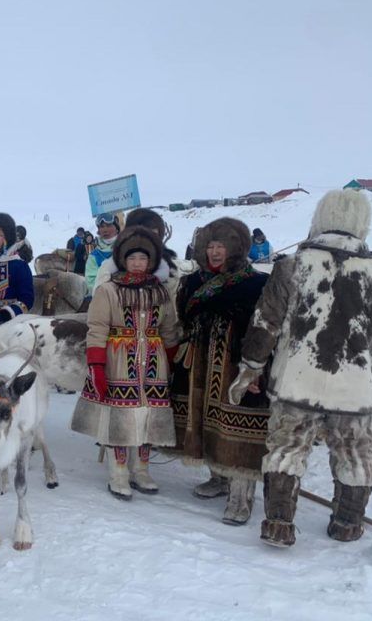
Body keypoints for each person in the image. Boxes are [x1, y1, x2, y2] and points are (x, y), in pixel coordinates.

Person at [229, 190, 372, 546]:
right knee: (356, 454)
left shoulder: (292, 267)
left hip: (296, 384)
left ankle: (278, 524)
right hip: (357, 392)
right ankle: (347, 524)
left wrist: (250, 369)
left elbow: (264, 325)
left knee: (286, 449)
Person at [167, 218, 270, 525]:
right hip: (199, 361)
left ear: (235, 248)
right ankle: (218, 477)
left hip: (238, 363)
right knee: (206, 421)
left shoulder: (256, 283)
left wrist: (255, 369)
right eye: (210, 246)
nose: (214, 252)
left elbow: (265, 330)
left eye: (221, 246)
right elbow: (183, 320)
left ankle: (241, 495)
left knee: (238, 426)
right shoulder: (192, 282)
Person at [70, 227, 180, 499]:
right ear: (123, 260)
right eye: (132, 258)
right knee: (119, 416)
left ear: (151, 261)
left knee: (148, 416)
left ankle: (141, 470)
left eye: (143, 258)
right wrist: (96, 366)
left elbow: (169, 329)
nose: (138, 263)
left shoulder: (161, 292)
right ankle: (118, 473)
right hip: (118, 360)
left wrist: (172, 360)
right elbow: (97, 328)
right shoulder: (108, 290)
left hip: (153, 362)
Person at [93, 208, 179, 297]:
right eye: (144, 236)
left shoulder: (172, 270)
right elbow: (99, 300)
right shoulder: (108, 272)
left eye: (155, 236)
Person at [84, 213, 123, 295]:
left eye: (109, 226)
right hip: (107, 297)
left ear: (116, 228)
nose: (105, 230)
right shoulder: (94, 256)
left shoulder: (127, 247)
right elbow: (91, 283)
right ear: (98, 231)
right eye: (102, 227)